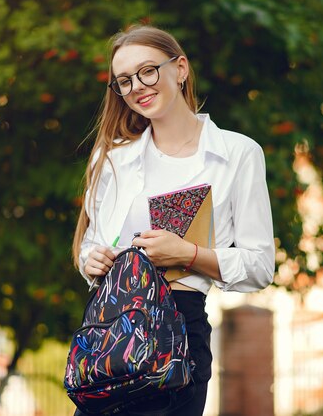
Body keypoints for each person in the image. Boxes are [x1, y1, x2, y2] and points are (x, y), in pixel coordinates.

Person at [71, 24, 275, 416]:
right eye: (124, 81)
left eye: (147, 71)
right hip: (111, 330)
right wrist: (89, 259)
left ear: (180, 68)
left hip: (179, 331)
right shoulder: (112, 159)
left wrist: (189, 253)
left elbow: (260, 266)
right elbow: (90, 244)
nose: (138, 87)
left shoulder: (237, 154)